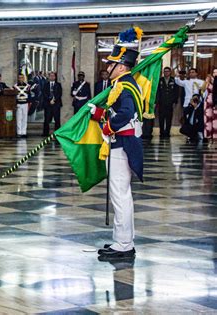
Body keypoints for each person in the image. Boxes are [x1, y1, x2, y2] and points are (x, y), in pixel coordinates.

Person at [88, 42, 143, 259]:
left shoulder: (124, 86)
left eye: (112, 64)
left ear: (121, 66)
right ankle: (123, 240)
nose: (108, 67)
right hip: (122, 144)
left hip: (121, 145)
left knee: (120, 195)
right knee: (122, 195)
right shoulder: (126, 83)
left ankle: (124, 244)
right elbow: (117, 111)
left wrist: (108, 127)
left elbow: (126, 113)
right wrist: (99, 113)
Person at [156, 67, 179, 138]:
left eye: (168, 71)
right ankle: (162, 132)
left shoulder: (174, 80)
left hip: (170, 102)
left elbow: (176, 91)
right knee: (161, 118)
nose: (166, 72)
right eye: (165, 71)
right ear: (163, 72)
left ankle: (167, 132)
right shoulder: (160, 80)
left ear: (170, 72)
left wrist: (175, 101)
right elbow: (157, 91)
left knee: (169, 118)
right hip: (161, 102)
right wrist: (157, 101)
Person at [42, 71, 62, 136]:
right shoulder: (46, 84)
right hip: (48, 105)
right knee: (47, 120)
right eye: (51, 76)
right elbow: (44, 93)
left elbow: (59, 94)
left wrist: (54, 99)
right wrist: (49, 100)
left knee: (57, 120)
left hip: (56, 105)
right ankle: (45, 133)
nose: (52, 77)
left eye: (53, 76)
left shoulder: (58, 85)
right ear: (49, 77)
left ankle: (57, 133)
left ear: (55, 77)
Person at [14, 73, 31, 138]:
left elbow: (29, 96)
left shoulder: (27, 86)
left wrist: (29, 103)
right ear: (18, 78)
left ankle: (24, 132)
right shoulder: (15, 86)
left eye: (22, 77)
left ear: (23, 78)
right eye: (19, 77)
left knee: (24, 118)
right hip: (18, 104)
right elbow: (14, 96)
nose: (20, 79)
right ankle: (19, 132)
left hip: (25, 103)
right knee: (19, 118)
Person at [203, 68, 217, 142]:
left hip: (215, 101)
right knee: (208, 118)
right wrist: (207, 82)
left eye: (216, 72)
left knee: (215, 119)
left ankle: (215, 135)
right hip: (208, 100)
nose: (215, 73)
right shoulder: (209, 80)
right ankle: (208, 135)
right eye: (214, 72)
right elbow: (202, 90)